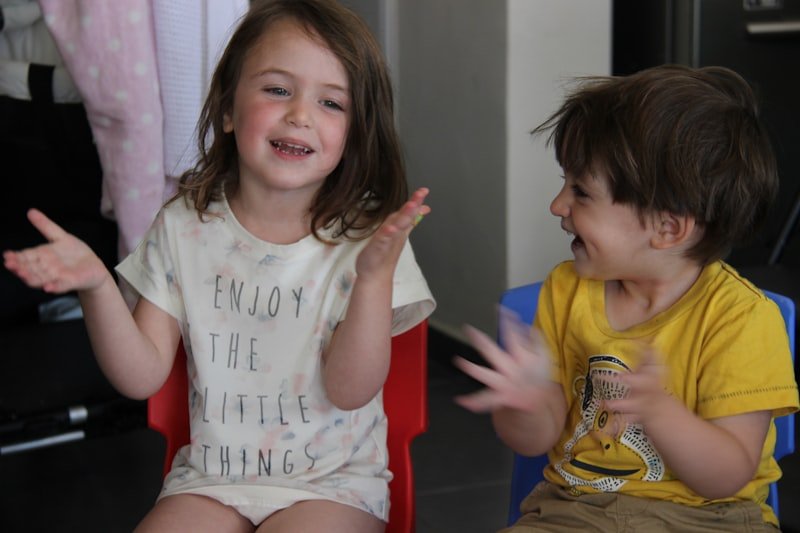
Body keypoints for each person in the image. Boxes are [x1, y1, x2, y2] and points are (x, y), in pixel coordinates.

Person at [3, 0, 435, 531]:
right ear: (228, 109)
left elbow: (351, 389)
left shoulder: (370, 239)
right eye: (278, 89)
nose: (300, 113)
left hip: (333, 487)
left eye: (331, 103)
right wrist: (96, 285)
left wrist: (372, 281)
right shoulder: (183, 226)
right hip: (208, 483)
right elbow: (140, 376)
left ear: (353, 134)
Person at [455, 64, 799, 532]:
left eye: (581, 191)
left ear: (667, 227)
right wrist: (526, 401)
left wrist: (660, 411)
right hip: (574, 513)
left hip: (710, 520)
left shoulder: (742, 319)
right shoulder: (566, 292)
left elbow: (728, 474)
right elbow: (533, 441)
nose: (558, 205)